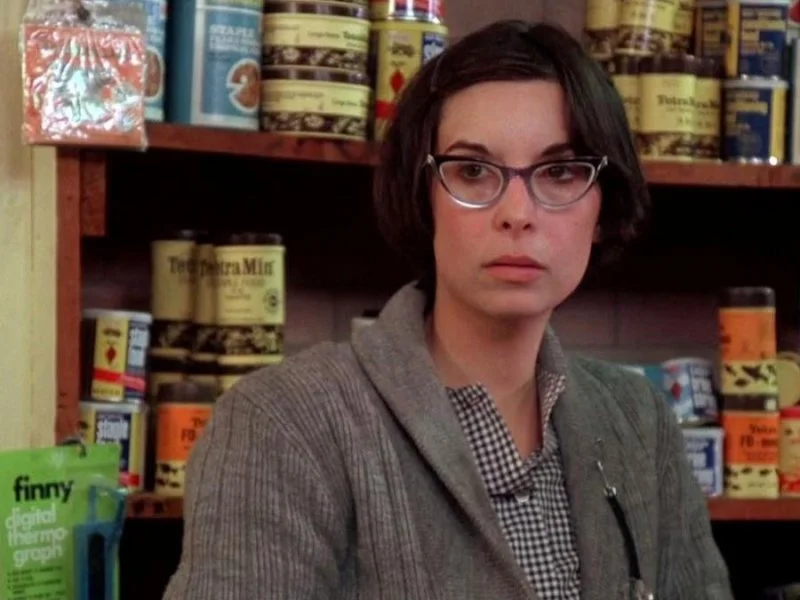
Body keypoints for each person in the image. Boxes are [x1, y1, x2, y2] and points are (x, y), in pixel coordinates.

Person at [163, 19, 733, 600]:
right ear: (423, 196)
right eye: (473, 171)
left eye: (560, 172)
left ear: (603, 207)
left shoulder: (637, 418)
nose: (517, 214)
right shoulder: (282, 422)